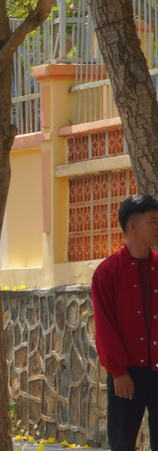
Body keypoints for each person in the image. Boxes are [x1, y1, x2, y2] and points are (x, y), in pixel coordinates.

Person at [94, 193, 158, 451]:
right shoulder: (107, 272)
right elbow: (104, 326)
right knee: (122, 443)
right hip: (127, 374)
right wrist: (118, 371)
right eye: (153, 221)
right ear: (132, 225)